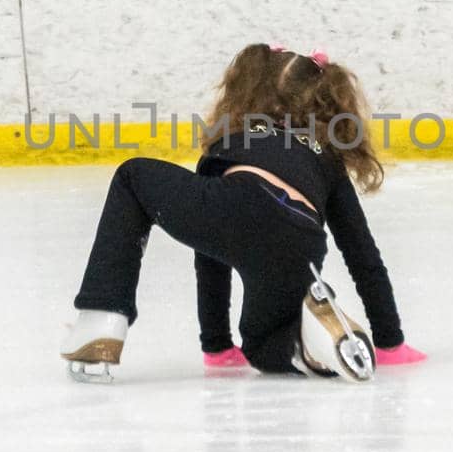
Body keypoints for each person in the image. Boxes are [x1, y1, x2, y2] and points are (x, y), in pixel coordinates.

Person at [58, 42, 427, 382]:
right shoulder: (326, 158)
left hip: (234, 200)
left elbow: (211, 258)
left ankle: (101, 320)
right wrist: (389, 341)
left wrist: (216, 345)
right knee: (266, 345)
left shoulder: (231, 141)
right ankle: (308, 348)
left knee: (132, 177)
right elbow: (362, 254)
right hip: (299, 242)